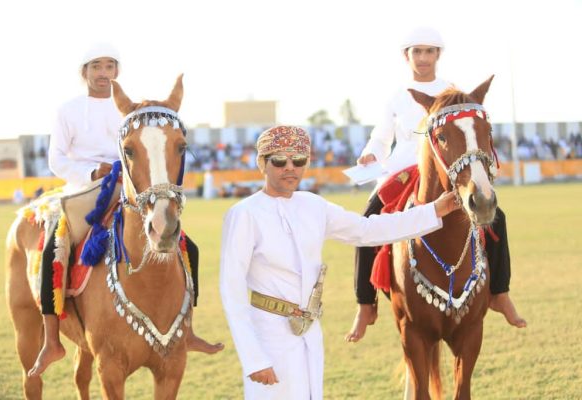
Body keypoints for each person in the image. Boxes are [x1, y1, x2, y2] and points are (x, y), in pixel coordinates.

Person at [219, 125, 460, 399]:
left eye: (298, 160)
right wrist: (254, 358)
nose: (290, 168)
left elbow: (367, 230)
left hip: (309, 332)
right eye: (279, 161)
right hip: (268, 335)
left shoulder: (313, 205)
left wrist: (434, 211)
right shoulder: (244, 214)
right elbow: (231, 289)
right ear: (262, 163)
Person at [28, 43, 222, 378]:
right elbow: (56, 159)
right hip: (85, 187)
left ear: (116, 71)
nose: (103, 73)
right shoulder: (68, 110)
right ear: (84, 73)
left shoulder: (132, 111)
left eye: (109, 66)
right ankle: (51, 341)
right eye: (96, 67)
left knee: (187, 245)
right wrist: (92, 172)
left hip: (131, 186)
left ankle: (186, 330)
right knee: (55, 245)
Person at [345, 27, 527, 344]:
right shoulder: (396, 96)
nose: (423, 57)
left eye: (429, 51)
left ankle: (499, 293)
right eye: (417, 51)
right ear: (407, 56)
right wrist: (371, 153)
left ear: (438, 55)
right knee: (368, 221)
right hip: (401, 169)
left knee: (497, 217)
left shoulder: (452, 92)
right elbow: (381, 137)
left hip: (445, 168)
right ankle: (365, 304)